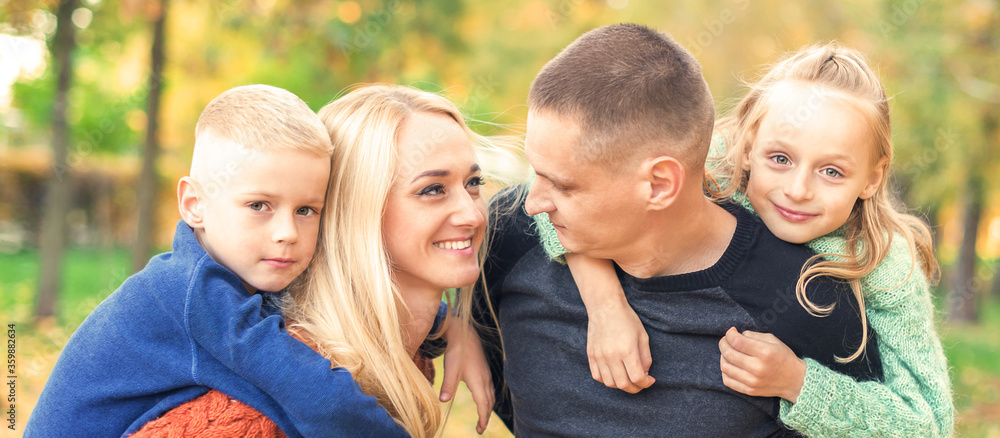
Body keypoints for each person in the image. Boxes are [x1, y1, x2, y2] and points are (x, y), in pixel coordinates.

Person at [474, 24, 883, 437]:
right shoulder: (510, 235)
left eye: (563, 185)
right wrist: (460, 332)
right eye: (535, 173)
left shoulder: (807, 299)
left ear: (659, 184)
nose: (532, 203)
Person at [536, 43, 954, 437]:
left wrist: (799, 383)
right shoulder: (713, 171)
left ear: (872, 178)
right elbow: (560, 200)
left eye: (831, 171)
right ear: (748, 145)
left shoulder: (886, 264)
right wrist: (606, 306)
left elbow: (929, 424)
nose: (798, 190)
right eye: (780, 159)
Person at [132, 84, 528, 437]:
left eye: (473, 183)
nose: (473, 215)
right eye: (432, 189)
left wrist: (456, 326)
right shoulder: (260, 404)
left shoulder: (408, 349)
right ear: (355, 212)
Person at [25, 85, 407, 438]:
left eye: (306, 210)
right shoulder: (190, 295)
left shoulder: (238, 273)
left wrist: (447, 324)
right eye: (259, 205)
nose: (287, 232)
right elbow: (323, 401)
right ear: (195, 205)